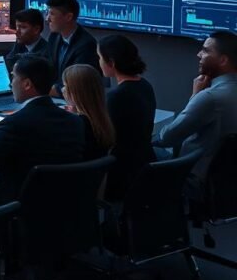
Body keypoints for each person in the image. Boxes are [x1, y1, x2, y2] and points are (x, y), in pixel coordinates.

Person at [0, 55, 85, 204]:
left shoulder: (14, 124)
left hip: (19, 205)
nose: (9, 83)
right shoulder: (74, 121)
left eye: (13, 77)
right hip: (64, 202)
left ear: (27, 84)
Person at [155, 31, 237, 182]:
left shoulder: (210, 98)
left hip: (194, 179)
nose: (199, 54)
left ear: (223, 60)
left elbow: (167, 138)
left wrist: (195, 96)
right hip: (226, 183)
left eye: (205, 51)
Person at [98, 34, 157, 200]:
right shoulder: (145, 85)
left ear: (111, 63)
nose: (99, 62)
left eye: (100, 58)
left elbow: (106, 138)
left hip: (121, 171)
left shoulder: (117, 95)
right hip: (143, 163)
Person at [44, 0, 100, 96]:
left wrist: (41, 90)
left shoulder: (86, 45)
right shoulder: (54, 37)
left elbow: (78, 84)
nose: (47, 19)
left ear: (68, 17)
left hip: (76, 102)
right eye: (47, 13)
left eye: (52, 14)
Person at [62, 64, 116, 160]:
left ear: (77, 92)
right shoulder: (103, 118)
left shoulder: (76, 124)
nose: (63, 90)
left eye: (65, 86)